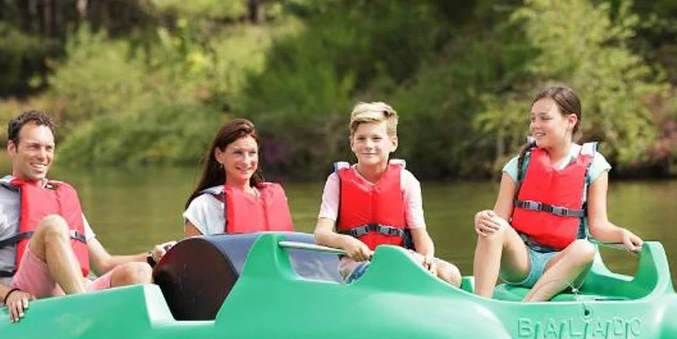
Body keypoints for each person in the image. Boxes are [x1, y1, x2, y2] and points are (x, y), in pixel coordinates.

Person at [0, 109, 170, 322]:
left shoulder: (63, 199)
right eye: (34, 147)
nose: (43, 155)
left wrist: (153, 257)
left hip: (73, 295)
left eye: (49, 148)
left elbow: (104, 263)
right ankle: (86, 313)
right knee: (53, 225)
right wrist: (8, 294)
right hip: (25, 300)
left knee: (139, 272)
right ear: (12, 149)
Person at [470, 84, 642, 301]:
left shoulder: (594, 165)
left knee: (585, 249)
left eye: (544, 118)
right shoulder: (519, 164)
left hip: (564, 264)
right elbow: (499, 219)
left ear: (570, 121)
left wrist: (621, 234)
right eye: (533, 119)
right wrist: (483, 218)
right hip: (521, 263)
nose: (535, 125)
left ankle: (528, 307)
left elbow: (598, 226)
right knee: (494, 226)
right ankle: (481, 305)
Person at [312, 100, 463, 285]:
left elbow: (420, 235)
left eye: (376, 138)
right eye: (361, 138)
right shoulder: (336, 181)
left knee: (451, 274)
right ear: (352, 143)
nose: (368, 145)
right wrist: (346, 242)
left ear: (393, 143)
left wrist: (428, 258)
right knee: (383, 273)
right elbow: (321, 234)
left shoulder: (406, 181)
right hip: (358, 264)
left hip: (400, 258)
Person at [182, 118, 293, 235]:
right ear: (219, 155)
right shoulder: (203, 206)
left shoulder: (276, 198)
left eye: (252, 153)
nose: (246, 161)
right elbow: (192, 252)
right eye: (238, 153)